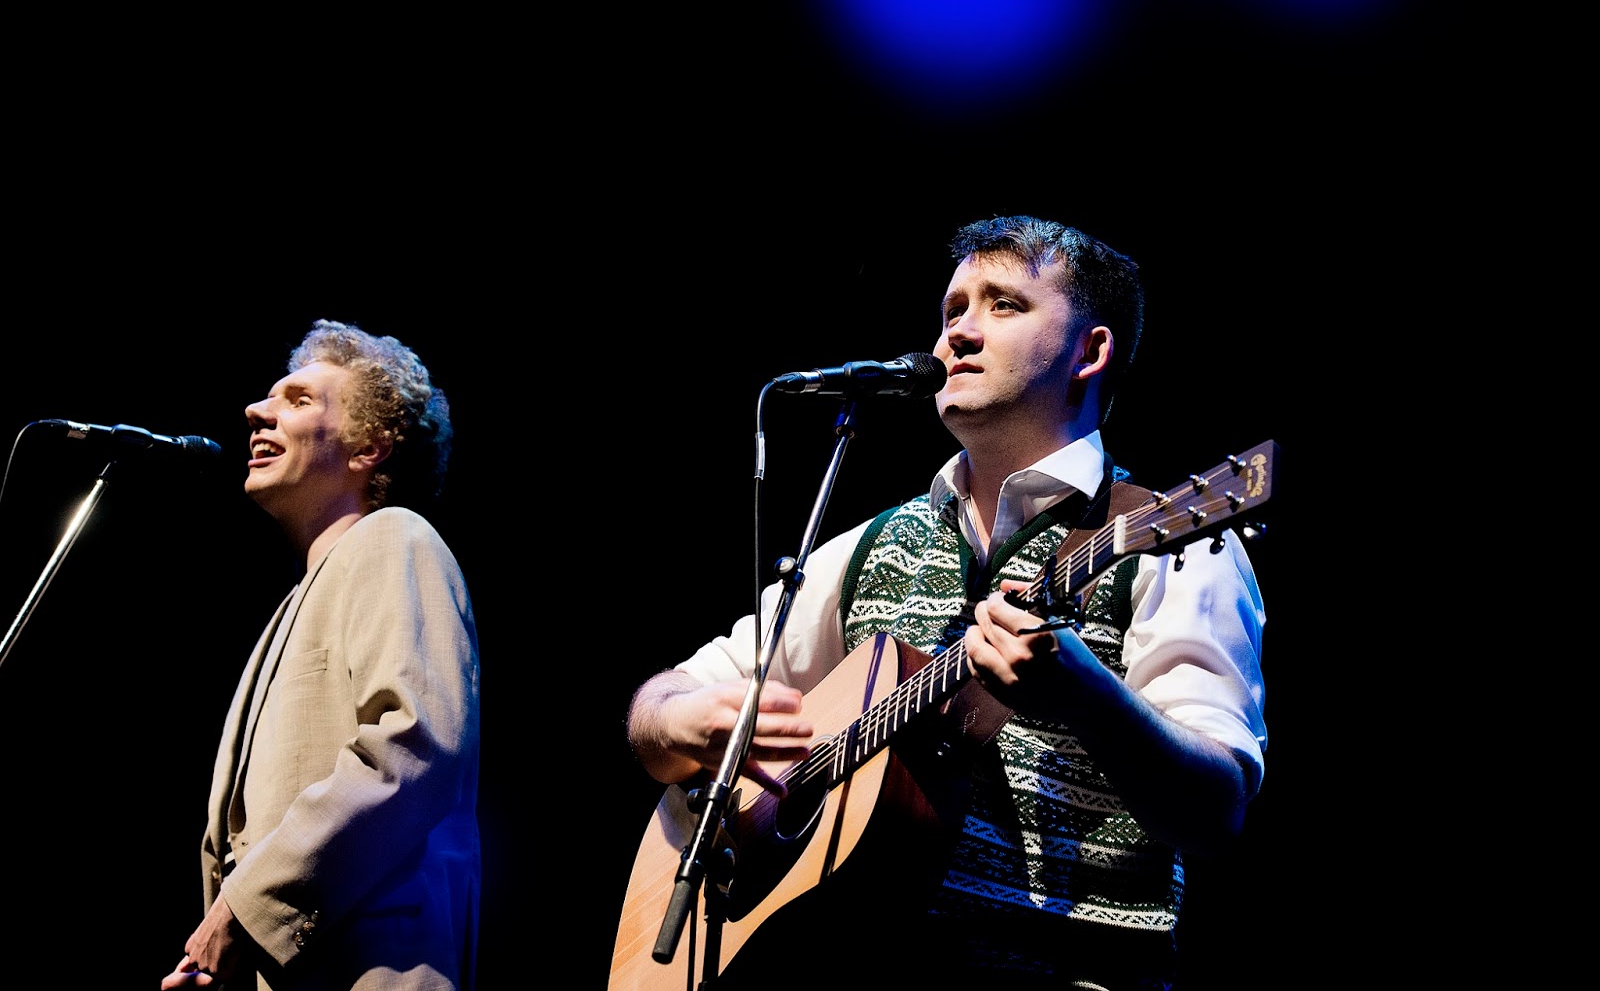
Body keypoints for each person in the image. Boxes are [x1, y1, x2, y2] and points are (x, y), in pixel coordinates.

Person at [619, 216, 1267, 991]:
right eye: (952, 308)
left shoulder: (1175, 543)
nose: (957, 331)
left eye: (1003, 303)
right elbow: (664, 705)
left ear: (1089, 351)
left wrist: (1089, 696)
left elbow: (1216, 812)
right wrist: (676, 719)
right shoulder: (873, 544)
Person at [162, 320, 481, 990]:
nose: (255, 410)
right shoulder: (298, 601)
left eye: (299, 398)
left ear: (371, 446)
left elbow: (412, 749)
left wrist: (245, 913)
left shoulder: (396, 539)